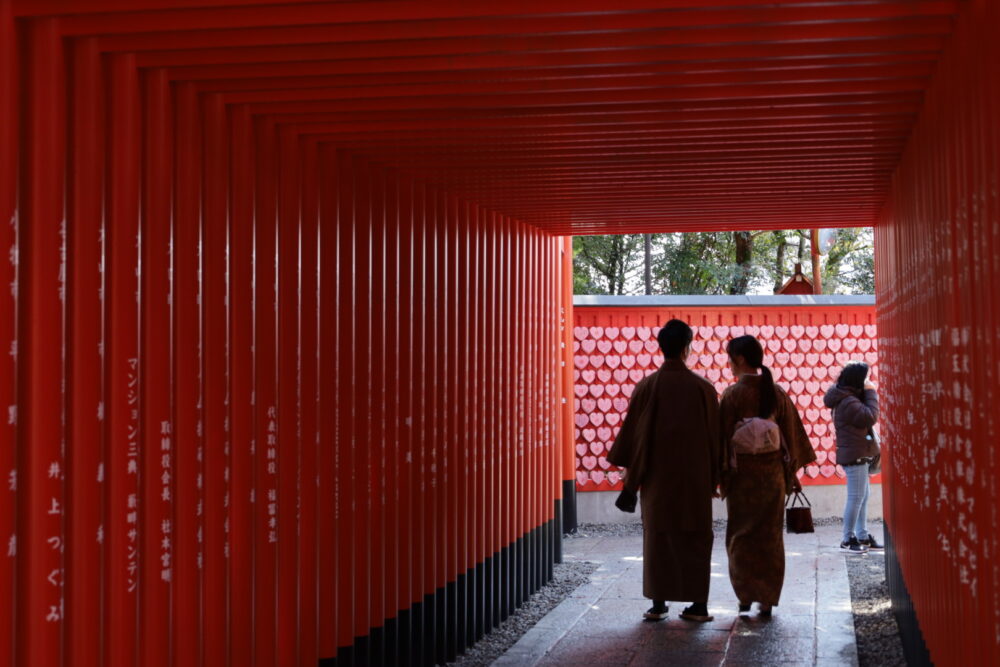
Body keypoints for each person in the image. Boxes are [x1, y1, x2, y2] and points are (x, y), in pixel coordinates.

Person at [607, 319, 721, 623]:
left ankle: (658, 604)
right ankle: (699, 605)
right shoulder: (703, 388)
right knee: (696, 537)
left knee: (658, 537)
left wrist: (632, 474)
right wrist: (718, 475)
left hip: (656, 478)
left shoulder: (646, 386)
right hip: (695, 478)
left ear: (662, 347)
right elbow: (715, 437)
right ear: (687, 347)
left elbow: (632, 433)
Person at [719, 335, 816, 616]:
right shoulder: (776, 392)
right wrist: (790, 473)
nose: (729, 364)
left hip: (741, 477)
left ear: (739, 359)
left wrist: (720, 474)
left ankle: (745, 595)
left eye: (730, 358)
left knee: (740, 535)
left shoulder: (732, 395)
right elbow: (792, 438)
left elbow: (721, 439)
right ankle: (768, 598)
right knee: (770, 536)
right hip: (772, 476)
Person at [824, 361, 881, 554]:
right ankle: (847, 539)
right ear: (857, 380)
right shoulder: (848, 402)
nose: (868, 381)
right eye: (865, 378)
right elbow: (869, 416)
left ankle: (862, 535)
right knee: (856, 497)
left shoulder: (849, 398)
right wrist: (871, 392)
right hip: (855, 454)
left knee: (863, 497)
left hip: (859, 452)